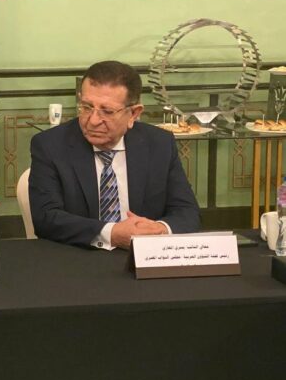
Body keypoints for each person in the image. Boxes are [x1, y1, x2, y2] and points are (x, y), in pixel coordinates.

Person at [28, 60, 200, 249]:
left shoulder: (159, 144)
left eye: (107, 111)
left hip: (146, 254)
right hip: (79, 255)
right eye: (86, 107)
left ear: (133, 114)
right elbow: (46, 218)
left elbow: (187, 211)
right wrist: (111, 233)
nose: (93, 121)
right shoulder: (50, 145)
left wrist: (159, 229)